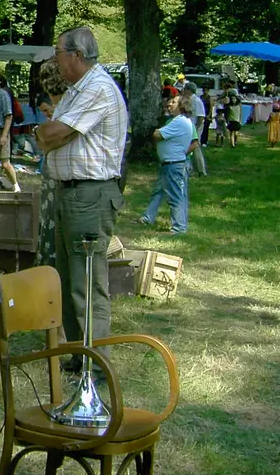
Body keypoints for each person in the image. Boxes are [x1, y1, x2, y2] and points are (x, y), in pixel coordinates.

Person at [34, 26, 128, 366]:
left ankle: (95, 362)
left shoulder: (97, 88)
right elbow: (49, 137)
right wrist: (48, 136)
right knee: (68, 277)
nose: (55, 60)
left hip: (89, 194)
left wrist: (49, 135)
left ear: (77, 55)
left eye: (58, 52)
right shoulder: (76, 90)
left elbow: (54, 132)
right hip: (70, 192)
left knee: (87, 281)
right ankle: (78, 354)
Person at [140, 93, 194, 235]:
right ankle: (148, 218)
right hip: (168, 164)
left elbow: (157, 135)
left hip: (174, 165)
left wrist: (157, 131)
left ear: (182, 106)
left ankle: (179, 228)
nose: (170, 104)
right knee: (158, 192)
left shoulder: (179, 121)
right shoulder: (178, 121)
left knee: (176, 196)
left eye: (174, 103)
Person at [33, 59, 68, 270]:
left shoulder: (65, 109)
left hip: (60, 179)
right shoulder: (68, 105)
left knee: (53, 227)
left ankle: (52, 270)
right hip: (53, 176)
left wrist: (42, 133)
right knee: (48, 224)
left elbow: (47, 141)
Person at [184, 82, 207, 176]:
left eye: (185, 89)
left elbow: (201, 117)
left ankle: (201, 170)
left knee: (196, 148)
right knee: (188, 148)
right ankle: (189, 168)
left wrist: (196, 129)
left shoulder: (197, 101)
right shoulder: (188, 100)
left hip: (195, 128)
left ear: (189, 90)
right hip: (188, 127)